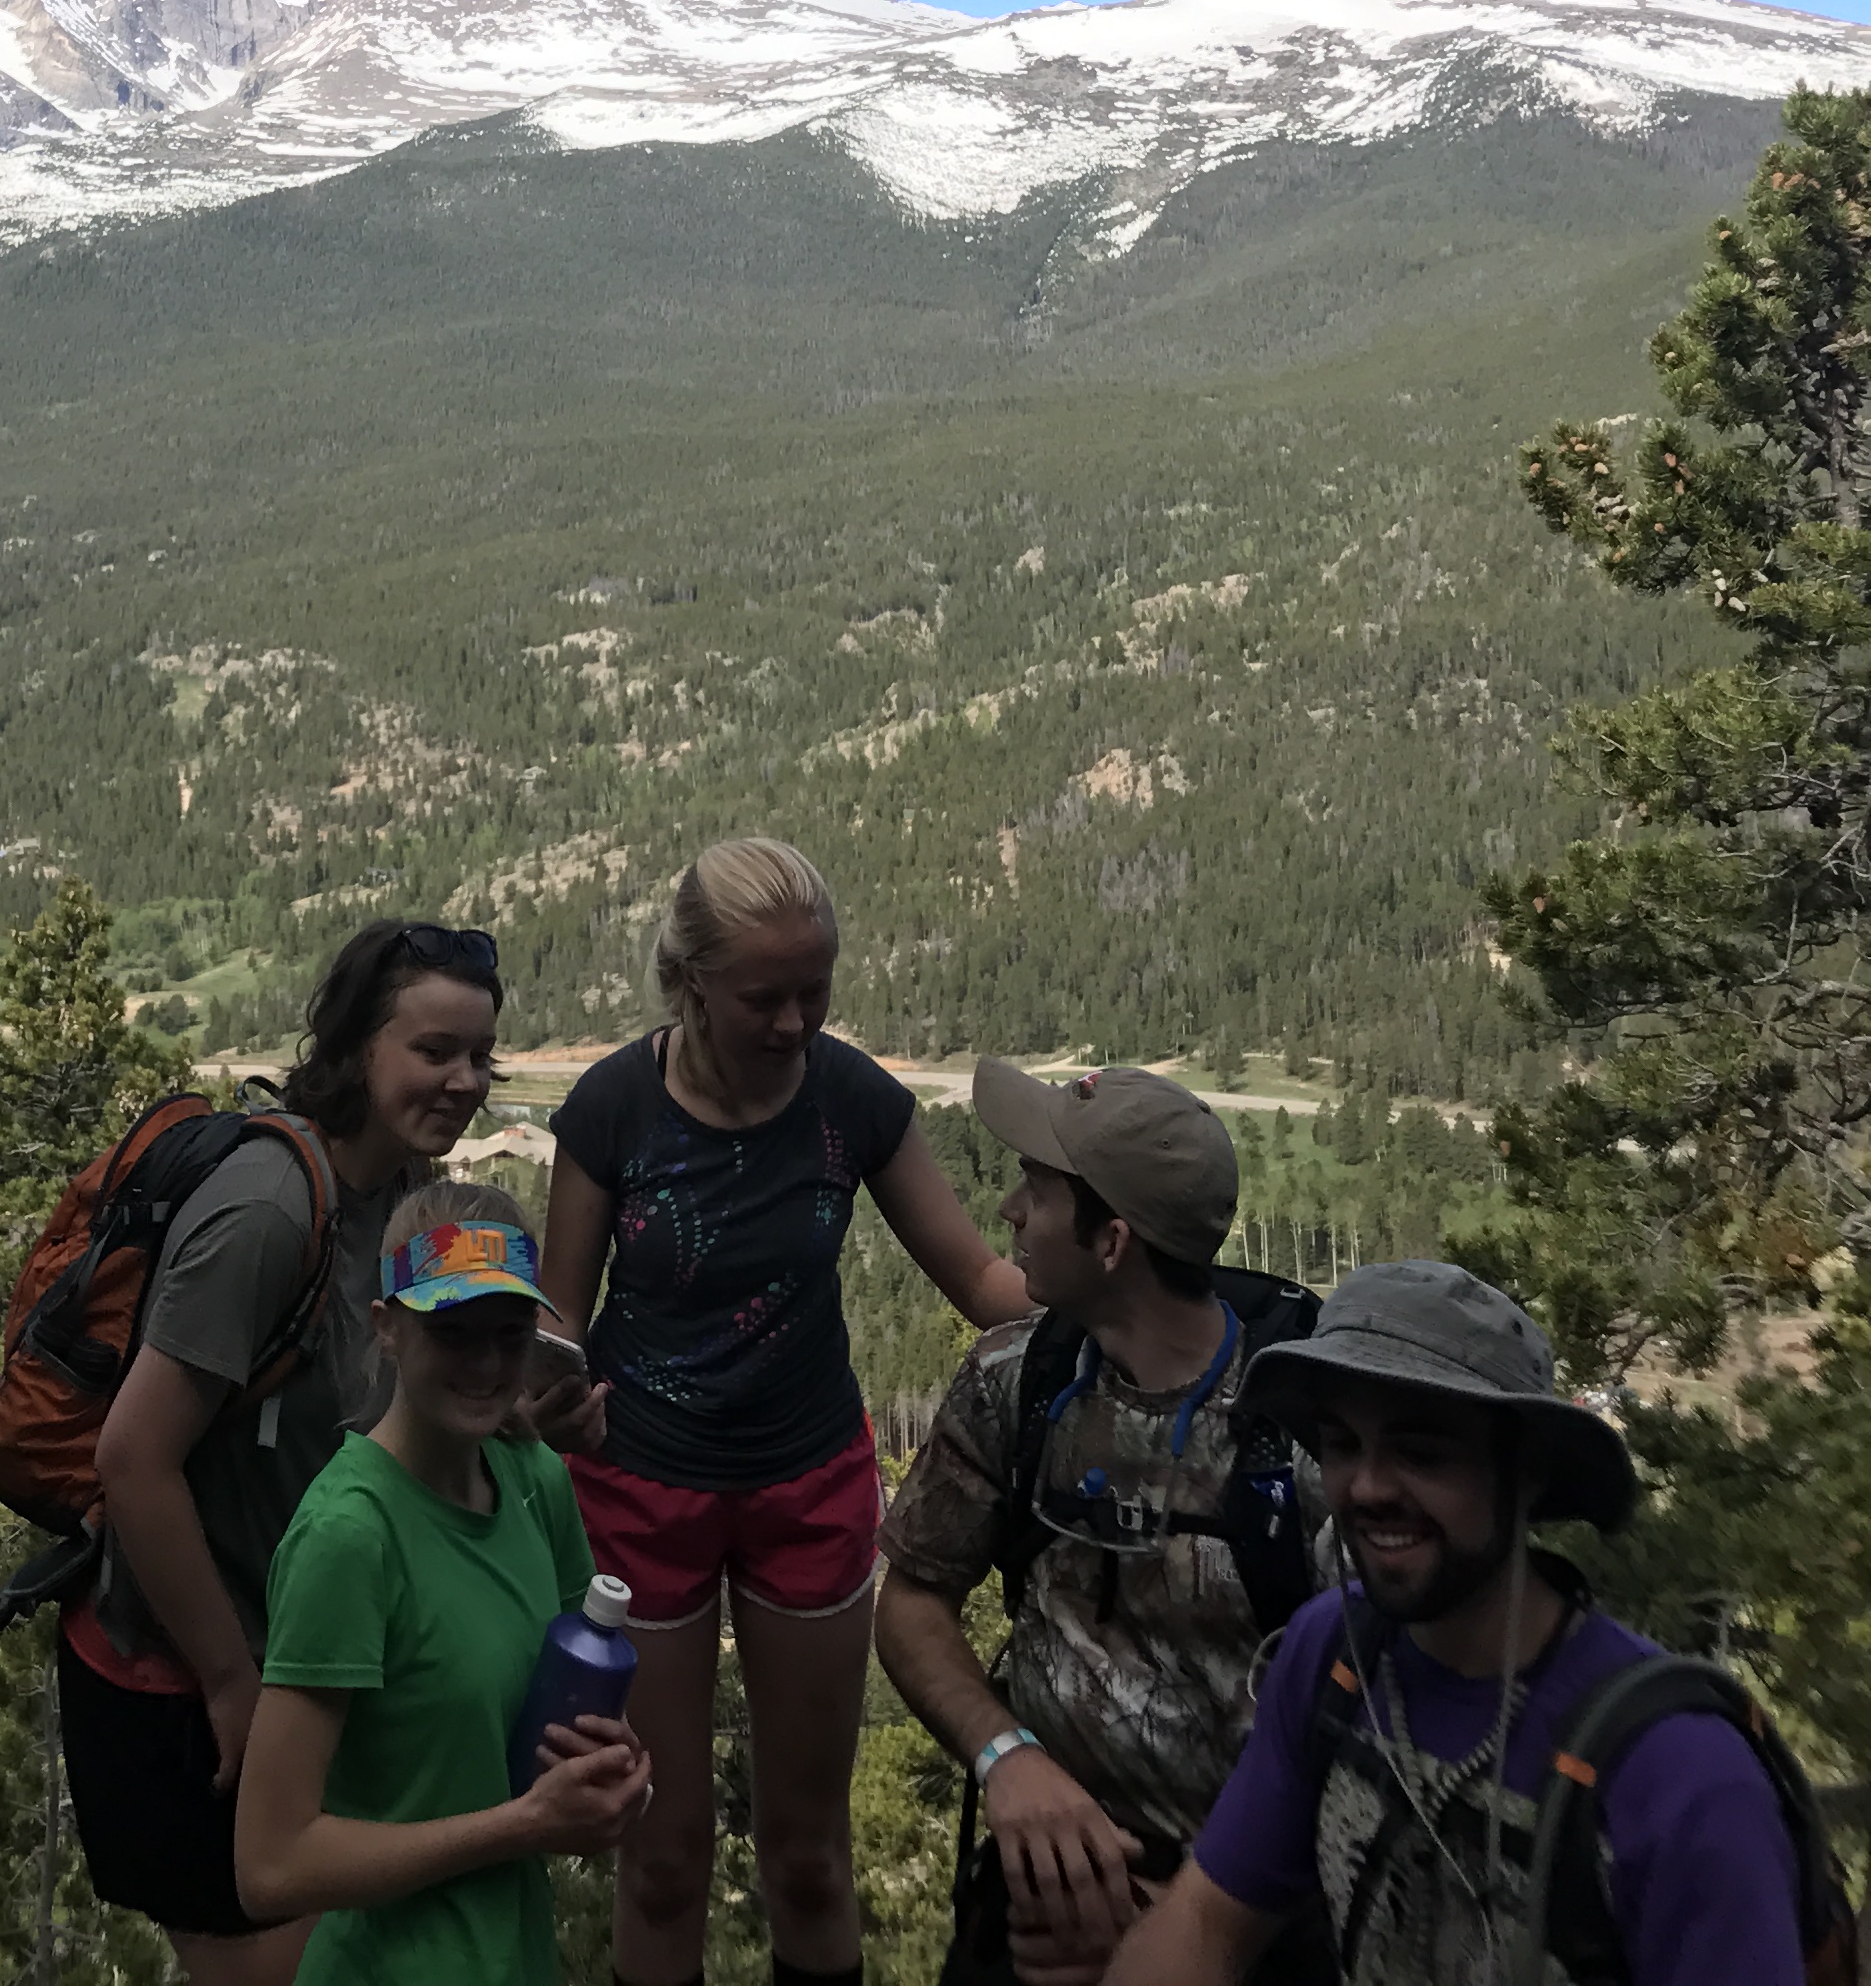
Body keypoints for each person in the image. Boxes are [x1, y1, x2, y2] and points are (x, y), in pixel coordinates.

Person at [536, 838, 1029, 1986]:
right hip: (638, 1484)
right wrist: (536, 1386)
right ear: (692, 978)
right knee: (662, 1855)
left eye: (818, 990)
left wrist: (1126, 1245)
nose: (798, 1022)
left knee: (808, 1855)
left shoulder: (851, 1099)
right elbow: (560, 1314)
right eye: (767, 996)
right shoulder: (612, 1109)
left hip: (808, 1482)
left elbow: (983, 1286)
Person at [1104, 1260, 1806, 1986]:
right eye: (1343, 1444)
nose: (1370, 1487)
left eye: (1421, 1452)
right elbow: (1205, 1926)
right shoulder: (1333, 1657)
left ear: (1525, 1470)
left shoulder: (1680, 1775)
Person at [68, 917, 508, 1986]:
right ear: (359, 1047)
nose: (464, 1080)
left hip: (289, 1674)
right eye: (433, 1051)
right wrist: (231, 1683)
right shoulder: (270, 1209)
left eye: (480, 1055)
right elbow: (133, 1460)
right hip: (180, 1681)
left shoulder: (401, 1194)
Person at [877, 1061, 1332, 1986]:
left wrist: (1201, 1924)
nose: (1007, 1210)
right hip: (1039, 1896)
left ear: (1112, 1240)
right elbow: (913, 1601)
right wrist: (1007, 1758)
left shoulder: (1306, 1433)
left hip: (1264, 1925)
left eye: (1037, 1193)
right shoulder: (1016, 1383)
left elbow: (1387, 1702)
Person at [236, 1183, 654, 1986]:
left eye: (510, 1335)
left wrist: (618, 1774)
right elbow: (270, 1866)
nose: (489, 1365)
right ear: (386, 1327)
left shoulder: (535, 1480)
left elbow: (571, 1704)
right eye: (453, 1334)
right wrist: (524, 1825)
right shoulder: (350, 1537)